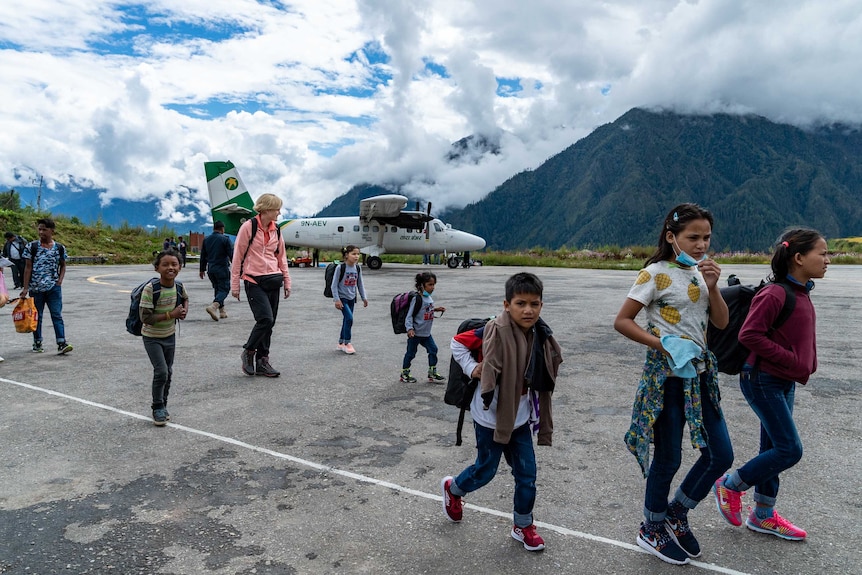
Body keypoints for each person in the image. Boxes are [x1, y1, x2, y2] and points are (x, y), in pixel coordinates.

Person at [613, 203, 732, 566]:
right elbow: (623, 320)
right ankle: (651, 527)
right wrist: (662, 343)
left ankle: (676, 513)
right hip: (666, 378)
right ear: (671, 237)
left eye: (706, 237)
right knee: (669, 458)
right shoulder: (654, 273)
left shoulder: (701, 273)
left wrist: (712, 287)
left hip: (699, 376)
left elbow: (722, 324)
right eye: (692, 237)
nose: (700, 245)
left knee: (720, 454)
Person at [712, 229, 828, 541]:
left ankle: (762, 514)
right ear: (799, 258)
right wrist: (792, 360)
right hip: (762, 380)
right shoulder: (776, 293)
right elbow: (749, 335)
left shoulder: (802, 291)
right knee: (789, 449)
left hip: (782, 379)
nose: (828, 259)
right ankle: (731, 484)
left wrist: (797, 365)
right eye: (823, 253)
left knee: (772, 447)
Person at [441, 272, 562, 552]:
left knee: (527, 474)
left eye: (534, 303)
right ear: (507, 304)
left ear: (541, 305)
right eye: (520, 303)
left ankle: (523, 524)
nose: (528, 310)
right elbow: (457, 342)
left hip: (519, 418)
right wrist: (473, 368)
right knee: (485, 470)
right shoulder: (492, 329)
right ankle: (454, 488)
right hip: (489, 416)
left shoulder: (540, 335)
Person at [231, 193, 291, 378]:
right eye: (276, 209)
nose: (279, 213)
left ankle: (263, 361)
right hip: (254, 280)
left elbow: (281, 257)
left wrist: (287, 280)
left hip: (273, 279)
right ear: (266, 209)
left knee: (270, 324)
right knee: (265, 319)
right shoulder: (249, 227)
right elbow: (238, 256)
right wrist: (235, 284)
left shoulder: (277, 230)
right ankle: (249, 352)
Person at [139, 248, 188, 426]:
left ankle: (163, 405)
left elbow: (184, 299)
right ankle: (157, 407)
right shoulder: (151, 289)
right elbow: (146, 318)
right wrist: (171, 314)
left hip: (170, 335)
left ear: (180, 267)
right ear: (157, 268)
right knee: (161, 371)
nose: (170, 267)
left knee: (168, 371)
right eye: (165, 264)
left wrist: (183, 312)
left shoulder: (179, 286)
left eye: (174, 264)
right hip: (152, 337)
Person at [21, 218, 73, 355]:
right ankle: (37, 342)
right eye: (39, 229)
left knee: (56, 314)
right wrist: (25, 288)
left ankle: (61, 342)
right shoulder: (32, 247)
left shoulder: (59, 248)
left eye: (44, 229)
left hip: (53, 288)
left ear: (52, 231)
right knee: (37, 316)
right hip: (36, 288)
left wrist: (59, 281)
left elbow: (63, 265)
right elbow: (28, 268)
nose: (41, 232)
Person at [400, 271, 446, 383]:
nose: (433, 287)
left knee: (433, 349)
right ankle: (404, 373)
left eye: (434, 284)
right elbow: (409, 315)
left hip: (426, 333)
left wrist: (435, 309)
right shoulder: (417, 298)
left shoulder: (429, 298)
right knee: (411, 353)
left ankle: (432, 372)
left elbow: (425, 309)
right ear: (422, 285)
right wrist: (409, 329)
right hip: (415, 333)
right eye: (430, 284)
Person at [331, 245, 367, 354]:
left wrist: (364, 297)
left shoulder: (357, 268)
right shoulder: (340, 268)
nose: (356, 256)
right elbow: (334, 285)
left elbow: (360, 284)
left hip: (352, 298)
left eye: (358, 254)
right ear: (347, 255)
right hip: (342, 299)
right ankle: (347, 343)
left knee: (346, 319)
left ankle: (341, 342)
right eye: (353, 254)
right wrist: (337, 300)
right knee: (350, 318)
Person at [199, 221, 232, 321]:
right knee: (225, 289)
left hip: (211, 269)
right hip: (222, 268)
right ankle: (213, 306)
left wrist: (202, 269)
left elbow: (203, 256)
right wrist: (238, 268)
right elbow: (232, 255)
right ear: (222, 229)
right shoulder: (225, 239)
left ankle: (222, 312)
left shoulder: (206, 240)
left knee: (218, 289)